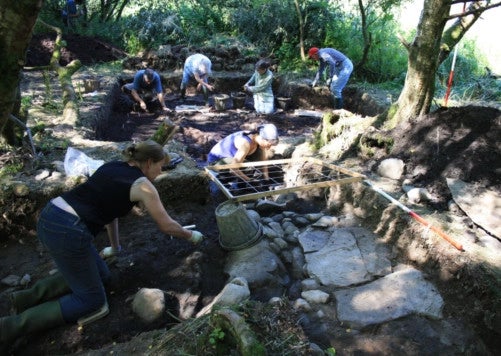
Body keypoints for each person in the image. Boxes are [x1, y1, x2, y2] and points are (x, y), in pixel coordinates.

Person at [0, 140, 205, 349]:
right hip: (68, 231)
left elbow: (110, 212)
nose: (161, 172)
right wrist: (191, 236)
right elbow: (167, 225)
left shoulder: (113, 167)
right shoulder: (144, 186)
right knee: (91, 301)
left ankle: (22, 299)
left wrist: (116, 248)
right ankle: (11, 327)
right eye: (160, 166)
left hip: (52, 215)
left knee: (103, 275)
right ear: (150, 162)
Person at [207, 124, 279, 181]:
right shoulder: (245, 143)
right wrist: (250, 181)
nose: (269, 147)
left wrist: (266, 177)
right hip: (216, 162)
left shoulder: (256, 139)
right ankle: (230, 180)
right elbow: (233, 169)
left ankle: (244, 176)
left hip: (233, 158)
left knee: (259, 153)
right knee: (248, 168)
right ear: (262, 138)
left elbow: (263, 160)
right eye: (269, 144)